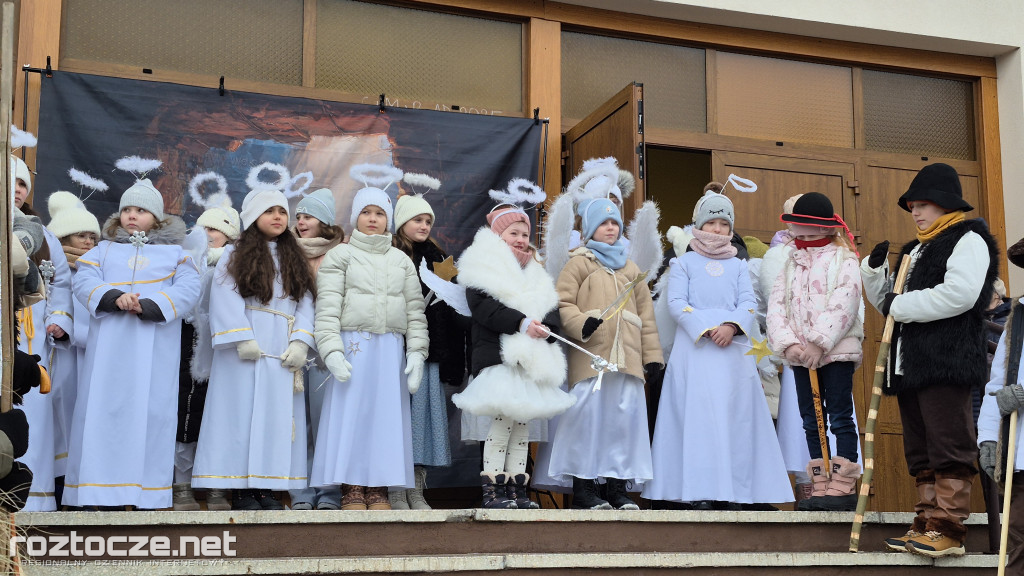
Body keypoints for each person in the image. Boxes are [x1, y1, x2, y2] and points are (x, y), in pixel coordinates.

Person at [862, 162, 998, 557]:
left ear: (945, 203)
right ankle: (925, 522)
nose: (915, 213)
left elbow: (960, 295)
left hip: (946, 361)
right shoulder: (915, 249)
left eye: (923, 205)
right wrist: (874, 274)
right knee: (921, 450)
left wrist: (899, 303)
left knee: (949, 444)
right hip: (911, 365)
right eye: (912, 207)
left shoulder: (969, 239)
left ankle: (948, 528)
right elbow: (890, 306)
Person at [642, 190, 792, 509]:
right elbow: (676, 302)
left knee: (735, 420)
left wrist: (731, 326)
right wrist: (705, 328)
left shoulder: (738, 266)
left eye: (724, 224)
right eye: (711, 222)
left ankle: (737, 492)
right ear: (699, 224)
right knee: (697, 419)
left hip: (732, 355)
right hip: (694, 352)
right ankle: (698, 491)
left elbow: (748, 302)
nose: (717, 229)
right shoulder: (683, 263)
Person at [66, 177, 201, 509]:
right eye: (127, 209)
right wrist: (113, 297)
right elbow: (83, 281)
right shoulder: (102, 250)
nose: (132, 215)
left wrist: (150, 305)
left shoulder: (176, 255)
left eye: (141, 210)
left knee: (151, 415)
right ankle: (96, 492)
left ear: (156, 217)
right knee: (101, 412)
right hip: (108, 352)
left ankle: (144, 494)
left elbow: (189, 289)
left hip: (154, 352)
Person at [191, 181, 316, 511]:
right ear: (252, 216)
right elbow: (224, 295)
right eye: (269, 211)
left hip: (281, 353)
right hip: (245, 353)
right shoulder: (234, 254)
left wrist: (301, 341)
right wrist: (242, 337)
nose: (277, 217)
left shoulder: (294, 257)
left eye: (281, 211)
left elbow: (306, 301)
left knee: (275, 422)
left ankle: (268, 488)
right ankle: (241, 490)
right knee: (240, 418)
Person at [311, 166, 428, 511]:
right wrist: (331, 350)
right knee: (353, 414)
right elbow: (327, 308)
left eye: (379, 213)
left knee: (383, 418)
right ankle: (352, 487)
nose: (373, 219)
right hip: (354, 346)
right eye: (366, 212)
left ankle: (377, 488)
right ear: (355, 217)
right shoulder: (340, 255)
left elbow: (415, 311)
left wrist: (416, 353)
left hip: (389, 348)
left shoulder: (401, 260)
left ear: (388, 219)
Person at [453, 198, 575, 509]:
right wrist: (521, 323)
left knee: (522, 427)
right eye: (513, 233)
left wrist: (548, 327)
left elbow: (551, 307)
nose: (521, 239)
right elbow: (484, 309)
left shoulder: (535, 272)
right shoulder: (481, 267)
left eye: (524, 234)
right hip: (499, 359)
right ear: (498, 236)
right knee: (501, 424)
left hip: (528, 362)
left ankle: (516, 491)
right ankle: (493, 491)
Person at [549, 197, 662, 509]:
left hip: (627, 361)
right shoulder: (578, 263)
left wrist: (652, 356)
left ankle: (616, 487)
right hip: (592, 359)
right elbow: (562, 303)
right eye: (603, 223)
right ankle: (584, 489)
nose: (610, 228)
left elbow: (646, 315)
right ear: (589, 229)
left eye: (615, 223)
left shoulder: (631, 268)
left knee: (621, 424)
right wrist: (581, 323)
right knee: (585, 421)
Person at [766, 192, 864, 511]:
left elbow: (845, 301)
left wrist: (818, 342)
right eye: (800, 232)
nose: (803, 238)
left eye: (810, 233)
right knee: (811, 419)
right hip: (800, 357)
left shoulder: (843, 259)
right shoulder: (791, 262)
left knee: (839, 416)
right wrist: (790, 344)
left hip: (835, 353)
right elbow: (776, 306)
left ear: (825, 228)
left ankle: (843, 484)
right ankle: (821, 483)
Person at [390, 191, 466, 510]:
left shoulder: (440, 260)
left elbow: (453, 310)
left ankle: (416, 489)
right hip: (394, 351)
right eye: (417, 219)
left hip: (429, 353)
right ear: (401, 222)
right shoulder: (390, 254)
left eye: (427, 221)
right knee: (394, 420)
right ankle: (394, 489)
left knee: (420, 422)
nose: (423, 226)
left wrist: (453, 360)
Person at [173, 198, 241, 511]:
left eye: (215, 228)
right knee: (187, 410)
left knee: (222, 414)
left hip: (228, 346)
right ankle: (182, 486)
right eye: (204, 228)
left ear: (230, 234)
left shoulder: (239, 264)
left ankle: (217, 485)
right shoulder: (185, 260)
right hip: (189, 344)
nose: (208, 234)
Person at [287, 188, 344, 511]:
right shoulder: (286, 252)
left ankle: (329, 490)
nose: (301, 221)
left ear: (324, 221)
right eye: (298, 216)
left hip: (325, 349)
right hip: (291, 348)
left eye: (308, 216)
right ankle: (300, 491)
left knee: (325, 421)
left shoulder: (341, 253)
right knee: (297, 422)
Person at [45, 191, 101, 509]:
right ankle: (59, 485)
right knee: (61, 416)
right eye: (81, 235)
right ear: (64, 236)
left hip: (91, 355)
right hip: (62, 354)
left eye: (93, 236)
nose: (88, 241)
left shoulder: (99, 269)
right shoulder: (52, 269)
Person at [980, 238, 1024, 572]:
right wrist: (989, 439)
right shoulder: (1019, 316)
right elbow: (997, 385)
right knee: (1018, 539)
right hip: (1021, 454)